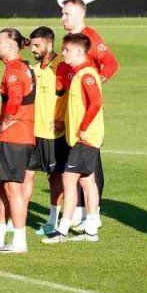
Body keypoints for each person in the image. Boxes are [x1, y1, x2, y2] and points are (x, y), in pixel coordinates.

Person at [43, 34, 104, 244]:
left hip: (84, 138)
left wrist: (83, 128)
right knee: (88, 181)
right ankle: (92, 229)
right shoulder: (79, 74)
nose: (64, 54)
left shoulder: (86, 74)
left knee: (69, 179)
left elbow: (96, 102)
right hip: (82, 137)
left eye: (67, 50)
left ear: (79, 51)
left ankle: (62, 230)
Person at [0, 28, 36, 254]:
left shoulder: (14, 71)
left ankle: (19, 240)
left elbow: (14, 101)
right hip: (21, 135)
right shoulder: (24, 67)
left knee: (13, 188)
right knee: (1, 184)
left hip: (16, 137)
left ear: (11, 46)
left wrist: (6, 123)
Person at [61, 0, 118, 216]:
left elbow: (111, 64)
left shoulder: (90, 37)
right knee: (76, 161)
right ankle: (80, 211)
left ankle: (91, 213)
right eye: (63, 13)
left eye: (67, 14)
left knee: (90, 162)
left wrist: (95, 83)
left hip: (86, 109)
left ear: (80, 15)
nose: (63, 17)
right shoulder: (71, 40)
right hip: (72, 107)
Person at [25, 27, 68, 235]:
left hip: (54, 135)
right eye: (32, 45)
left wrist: (63, 119)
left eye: (37, 45)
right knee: (26, 175)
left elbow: (70, 96)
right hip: (33, 133)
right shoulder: (34, 69)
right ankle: (18, 217)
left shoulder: (61, 66)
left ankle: (53, 219)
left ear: (49, 44)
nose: (33, 49)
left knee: (55, 178)